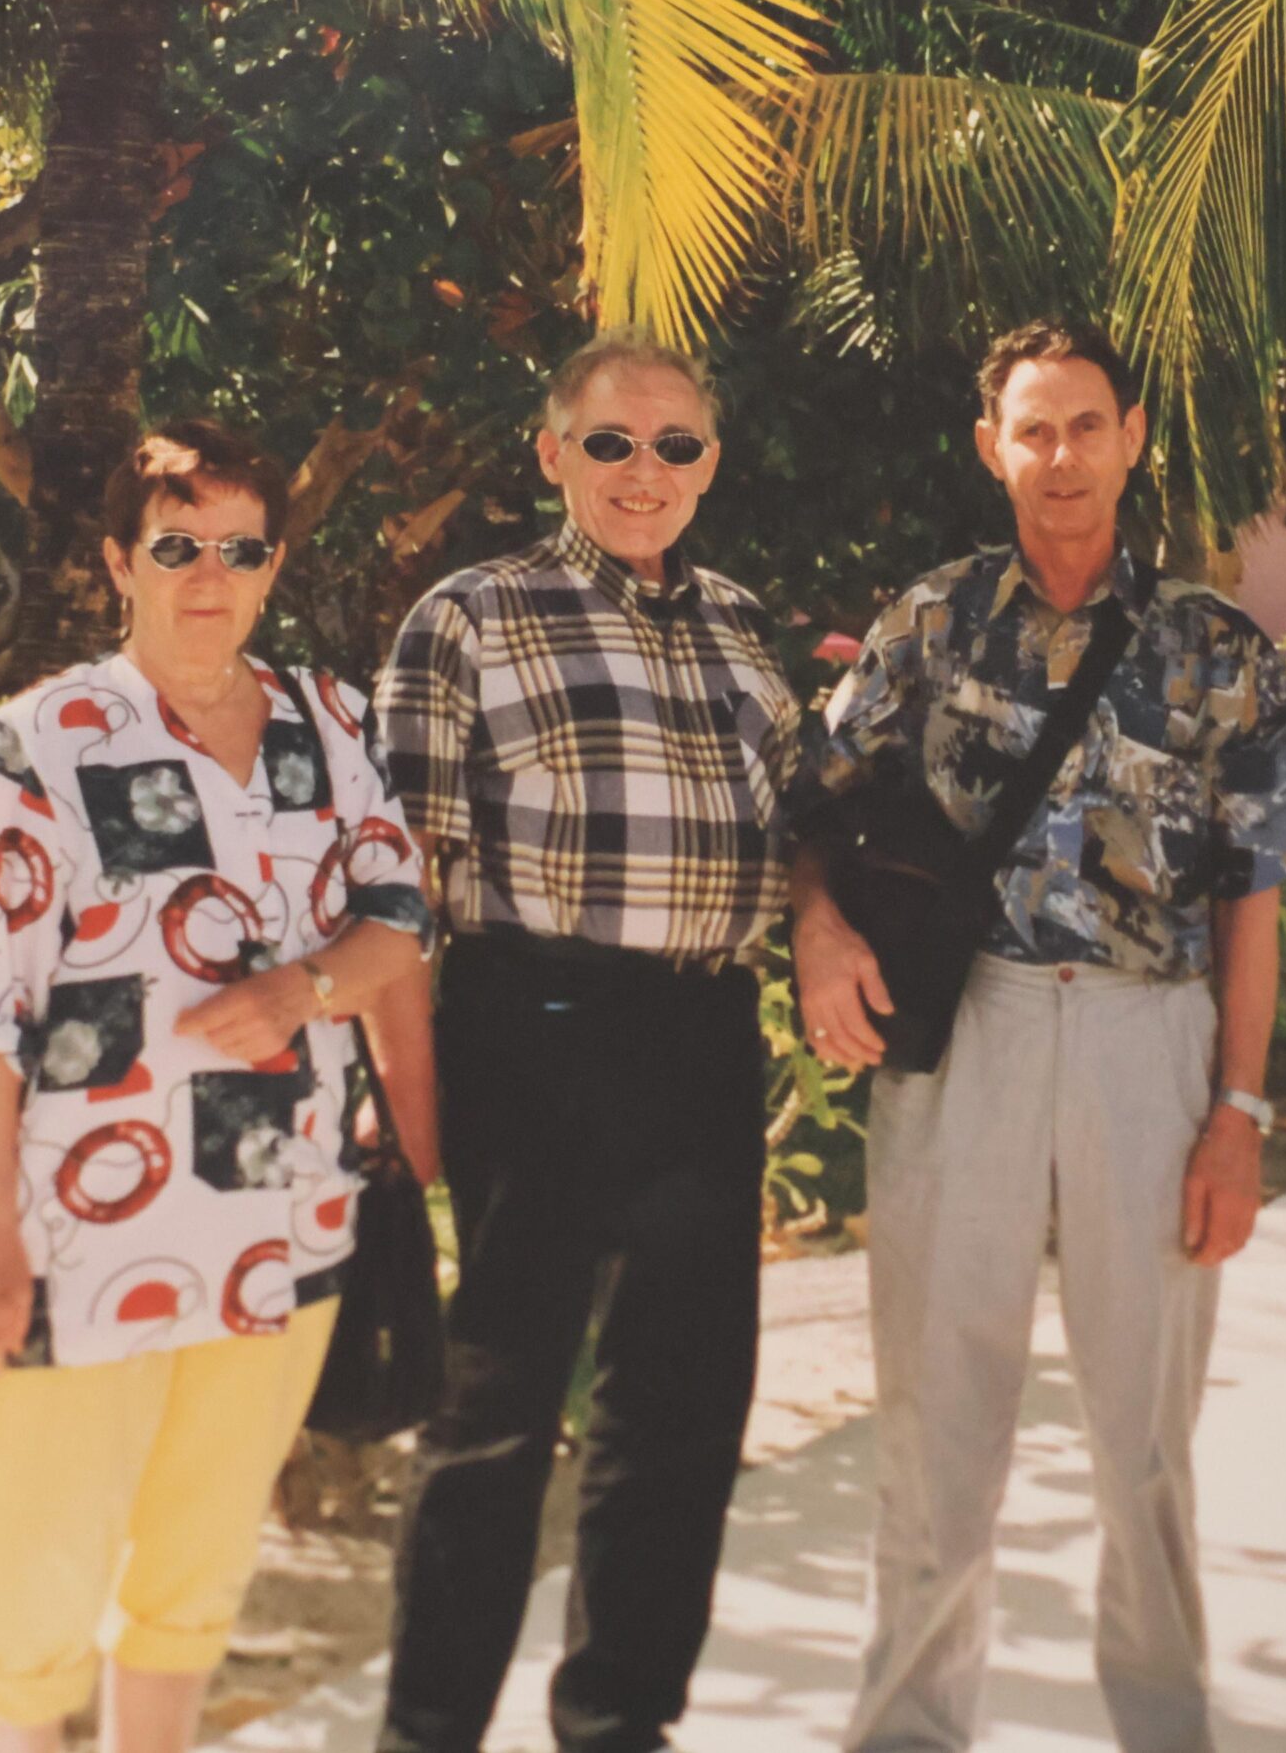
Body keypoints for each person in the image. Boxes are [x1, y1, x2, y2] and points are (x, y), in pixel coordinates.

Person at [789, 319, 1286, 1753]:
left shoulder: (1218, 645)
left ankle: (1164, 1725)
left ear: (1133, 435)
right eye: (1033, 429)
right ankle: (907, 1727)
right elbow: (810, 794)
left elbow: (1255, 905)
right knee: (933, 1422)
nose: (1061, 456)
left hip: (1151, 1043)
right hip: (967, 1032)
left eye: (1086, 425)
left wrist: (1241, 1113)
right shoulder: (933, 619)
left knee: (1145, 1443)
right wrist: (818, 930)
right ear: (993, 447)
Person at [0, 420, 433, 1753]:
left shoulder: (332, 719)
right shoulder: (49, 738)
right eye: (178, 545)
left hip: (281, 1221)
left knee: (189, 1586)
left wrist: (298, 991)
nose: (211, 574)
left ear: (273, 566)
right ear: (117, 561)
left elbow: (398, 917)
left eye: (242, 548)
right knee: (29, 1599)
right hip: (80, 1230)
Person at [369, 331, 800, 1753]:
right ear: (552, 453)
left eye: (675, 445)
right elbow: (396, 880)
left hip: (702, 1033)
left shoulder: (741, 624)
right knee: (496, 1411)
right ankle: (428, 1728)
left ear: (711, 466)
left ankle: (620, 1718)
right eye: (611, 441)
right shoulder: (470, 615)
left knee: (680, 1411)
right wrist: (406, 1099)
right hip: (531, 1026)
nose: (644, 471)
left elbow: (790, 838)